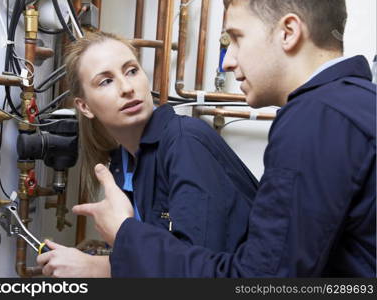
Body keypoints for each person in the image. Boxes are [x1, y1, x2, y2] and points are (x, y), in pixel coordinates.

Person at [71, 0, 376, 277]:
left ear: (289, 32)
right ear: (83, 106)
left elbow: (259, 282)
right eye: (107, 81)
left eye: (237, 38)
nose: (228, 62)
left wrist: (124, 239)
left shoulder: (316, 120)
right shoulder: (349, 106)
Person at [36, 31, 259, 277]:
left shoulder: (185, 142)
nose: (127, 88)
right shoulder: (121, 164)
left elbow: (201, 274)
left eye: (131, 71)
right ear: (84, 106)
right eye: (106, 81)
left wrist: (100, 269)